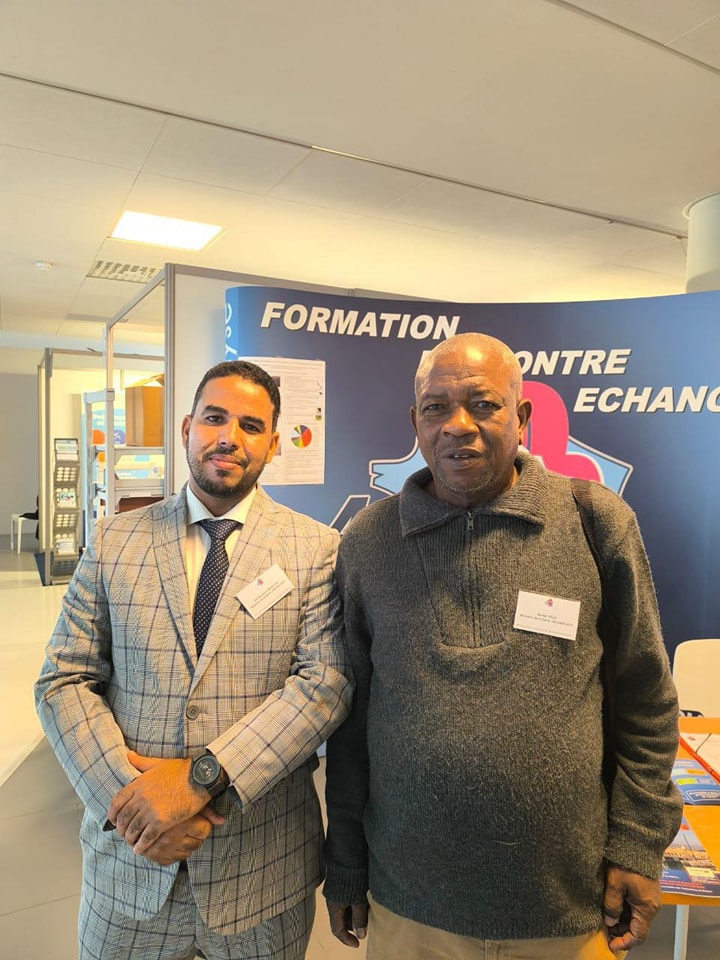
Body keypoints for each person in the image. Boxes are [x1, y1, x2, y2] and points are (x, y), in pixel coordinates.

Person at [323, 333, 682, 959]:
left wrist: (637, 843)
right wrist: (347, 862)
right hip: (411, 907)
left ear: (522, 417)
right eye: (436, 408)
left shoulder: (596, 522)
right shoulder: (369, 542)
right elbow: (351, 724)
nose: (457, 425)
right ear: (415, 423)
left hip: (565, 906)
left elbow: (646, 701)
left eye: (483, 404)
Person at [35, 359, 353, 960]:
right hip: (128, 874)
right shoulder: (114, 541)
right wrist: (135, 806)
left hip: (260, 878)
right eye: (214, 418)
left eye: (251, 425)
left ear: (273, 445)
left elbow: (323, 686)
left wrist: (200, 779)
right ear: (187, 428)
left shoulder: (317, 549)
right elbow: (64, 679)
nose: (229, 437)